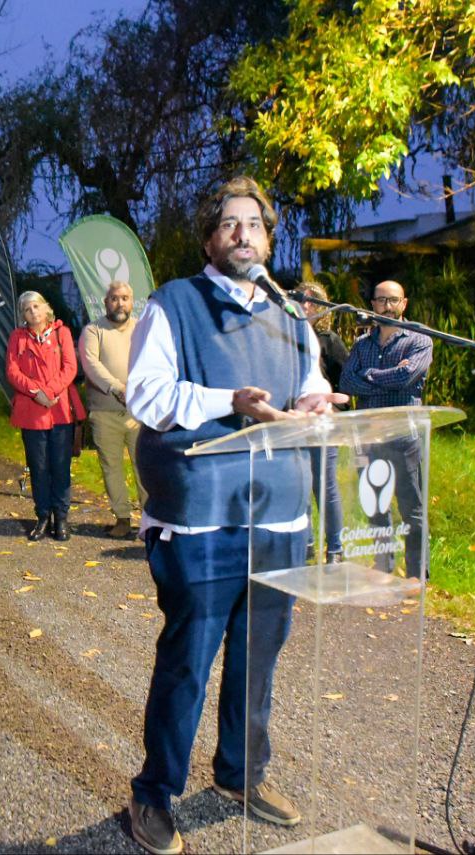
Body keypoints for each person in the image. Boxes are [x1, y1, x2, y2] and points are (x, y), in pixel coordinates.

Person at [124, 177, 346, 855]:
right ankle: (154, 792)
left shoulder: (290, 316)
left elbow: (306, 388)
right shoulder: (174, 306)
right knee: (188, 660)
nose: (244, 233)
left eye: (256, 224)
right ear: (209, 238)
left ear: (270, 239)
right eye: (230, 223)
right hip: (201, 514)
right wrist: (231, 401)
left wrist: (313, 405)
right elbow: (148, 395)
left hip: (277, 514)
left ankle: (239, 774)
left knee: (259, 661)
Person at [338, 279, 434, 579]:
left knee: (411, 507)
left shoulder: (419, 340)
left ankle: (417, 573)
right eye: (381, 301)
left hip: (403, 435)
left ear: (404, 303)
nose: (387, 307)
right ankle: (383, 567)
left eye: (394, 301)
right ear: (373, 305)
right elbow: (346, 383)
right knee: (375, 505)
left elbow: (406, 377)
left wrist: (368, 376)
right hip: (367, 436)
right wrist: (384, 376)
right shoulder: (362, 344)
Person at [6, 290, 85, 541]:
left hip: (59, 410)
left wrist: (48, 391)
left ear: (46, 308)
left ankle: (61, 518)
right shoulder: (17, 337)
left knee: (61, 467)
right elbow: (12, 370)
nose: (33, 312)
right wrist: (35, 392)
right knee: (38, 467)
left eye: (36, 306)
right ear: (23, 315)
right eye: (27, 309)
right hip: (32, 412)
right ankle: (42, 517)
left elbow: (70, 368)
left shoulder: (62, 333)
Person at [78, 280, 147, 539]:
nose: (120, 303)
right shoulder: (93, 330)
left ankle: (150, 520)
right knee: (112, 467)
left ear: (132, 301)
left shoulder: (142, 328)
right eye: (114, 298)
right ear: (106, 302)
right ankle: (122, 518)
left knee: (145, 466)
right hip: (104, 413)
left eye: (125, 298)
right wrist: (118, 388)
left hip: (140, 412)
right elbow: (91, 364)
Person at [298, 281, 348, 563]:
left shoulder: (329, 340)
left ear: (321, 308)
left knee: (325, 486)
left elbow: (346, 383)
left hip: (324, 424)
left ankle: (336, 547)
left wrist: (335, 403)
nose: (304, 306)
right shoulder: (288, 336)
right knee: (302, 484)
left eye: (310, 301)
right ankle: (305, 544)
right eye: (300, 300)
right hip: (295, 424)